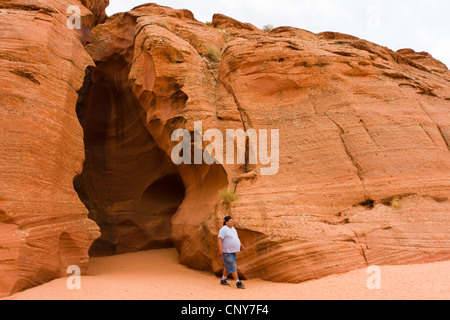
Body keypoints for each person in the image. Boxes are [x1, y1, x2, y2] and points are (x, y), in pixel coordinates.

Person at [218, 216, 247, 289]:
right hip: (227, 251)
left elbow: (236, 238)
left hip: (233, 251)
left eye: (232, 221)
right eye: (230, 221)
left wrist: (241, 246)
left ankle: (223, 280)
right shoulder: (223, 229)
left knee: (228, 265)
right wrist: (220, 249)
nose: (232, 222)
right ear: (226, 222)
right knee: (232, 266)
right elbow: (219, 239)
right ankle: (238, 282)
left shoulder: (233, 229)